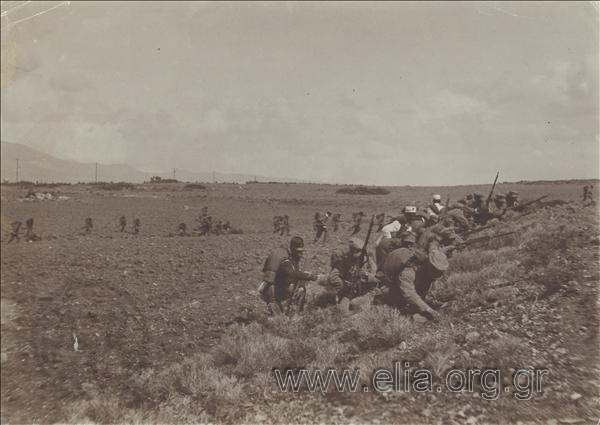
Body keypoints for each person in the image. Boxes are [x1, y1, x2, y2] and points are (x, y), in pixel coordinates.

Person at [378, 248, 449, 321]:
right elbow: (409, 293)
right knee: (401, 300)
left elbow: (427, 285)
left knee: (419, 299)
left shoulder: (426, 269)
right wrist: (429, 310)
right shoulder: (409, 270)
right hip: (387, 279)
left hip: (403, 279)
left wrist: (429, 300)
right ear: (428, 265)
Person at [259, 236, 318, 316]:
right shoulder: (284, 261)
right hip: (274, 292)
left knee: (302, 289)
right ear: (293, 249)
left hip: (281, 289)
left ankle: (293, 313)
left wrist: (301, 284)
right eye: (299, 252)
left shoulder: (292, 258)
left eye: (302, 252)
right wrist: (309, 276)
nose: (301, 254)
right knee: (277, 318)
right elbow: (292, 273)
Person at [315, 238, 377, 311]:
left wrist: (366, 276)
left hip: (365, 292)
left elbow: (377, 278)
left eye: (358, 252)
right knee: (342, 310)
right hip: (349, 292)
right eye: (352, 252)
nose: (354, 255)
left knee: (355, 304)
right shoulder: (345, 261)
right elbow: (333, 276)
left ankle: (369, 306)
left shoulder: (369, 262)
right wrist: (343, 285)